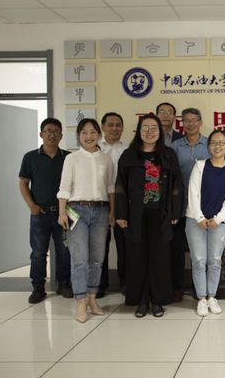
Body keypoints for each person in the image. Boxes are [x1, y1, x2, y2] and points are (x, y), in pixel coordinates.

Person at [115, 113, 184, 318]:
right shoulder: (128, 155)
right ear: (139, 131)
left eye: (154, 128)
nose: (150, 131)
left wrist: (175, 211)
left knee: (159, 258)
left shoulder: (168, 154)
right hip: (135, 214)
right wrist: (121, 213)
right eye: (145, 127)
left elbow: (177, 184)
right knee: (137, 257)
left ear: (160, 132)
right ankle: (141, 300)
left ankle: (157, 300)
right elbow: (120, 186)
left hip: (161, 214)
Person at [57, 118, 115, 323]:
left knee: (97, 258)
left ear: (99, 135)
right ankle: (81, 301)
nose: (89, 136)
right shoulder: (71, 159)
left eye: (92, 132)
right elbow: (64, 188)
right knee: (80, 259)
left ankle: (92, 297)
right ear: (78, 136)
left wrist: (112, 211)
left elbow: (110, 187)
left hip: (101, 211)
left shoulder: (106, 159)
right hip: (77, 211)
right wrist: (61, 212)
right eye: (84, 132)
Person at [186, 129, 225, 316]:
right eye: (214, 143)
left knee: (215, 261)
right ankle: (201, 298)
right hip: (195, 221)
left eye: (221, 143)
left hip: (219, 223)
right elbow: (192, 193)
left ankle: (212, 297)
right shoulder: (200, 166)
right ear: (208, 146)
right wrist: (199, 217)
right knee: (199, 260)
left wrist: (218, 219)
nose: (217, 146)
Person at [19, 117, 72, 303]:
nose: (52, 135)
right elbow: (23, 183)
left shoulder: (68, 157)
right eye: (48, 131)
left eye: (56, 131)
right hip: (40, 213)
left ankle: (64, 284)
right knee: (38, 252)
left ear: (61, 135)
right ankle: (38, 287)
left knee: (64, 251)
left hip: (63, 213)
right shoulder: (30, 157)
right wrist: (31, 206)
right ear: (41, 134)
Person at [170, 107, 210, 301]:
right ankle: (177, 287)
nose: (190, 124)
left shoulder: (210, 144)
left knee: (200, 250)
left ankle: (200, 288)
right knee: (176, 248)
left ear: (200, 122)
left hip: (203, 206)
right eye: (186, 120)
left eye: (194, 120)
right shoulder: (175, 146)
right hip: (180, 205)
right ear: (182, 123)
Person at [98, 112, 127, 298]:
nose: (114, 128)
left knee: (124, 246)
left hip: (123, 202)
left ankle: (126, 283)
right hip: (100, 202)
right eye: (110, 125)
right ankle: (100, 284)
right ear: (103, 127)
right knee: (100, 245)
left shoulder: (128, 149)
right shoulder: (95, 149)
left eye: (118, 125)